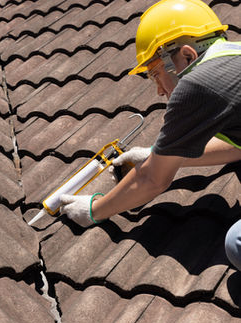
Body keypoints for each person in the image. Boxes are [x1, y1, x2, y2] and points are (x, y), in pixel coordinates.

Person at [59, 0, 241, 269]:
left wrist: (92, 210)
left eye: (156, 74)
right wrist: (167, 155)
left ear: (188, 57)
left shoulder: (197, 85)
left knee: (236, 243)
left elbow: (152, 180)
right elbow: (237, 146)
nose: (159, 90)